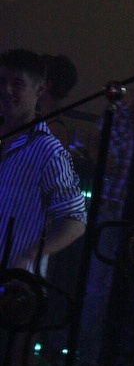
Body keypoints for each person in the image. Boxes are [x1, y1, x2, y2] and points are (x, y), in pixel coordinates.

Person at [0, 49, 86, 274]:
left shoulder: (48, 151)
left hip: (12, 280)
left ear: (39, 90)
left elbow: (76, 220)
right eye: (2, 81)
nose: (6, 90)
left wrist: (29, 254)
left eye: (17, 84)